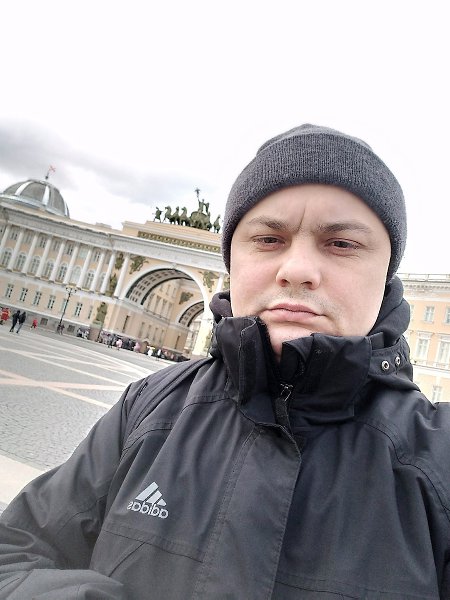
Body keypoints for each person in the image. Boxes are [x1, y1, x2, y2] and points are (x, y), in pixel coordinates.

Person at [0, 124, 449, 599]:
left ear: (387, 275)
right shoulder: (145, 406)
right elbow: (17, 549)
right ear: (232, 261)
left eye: (341, 243)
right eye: (268, 238)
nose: (296, 270)